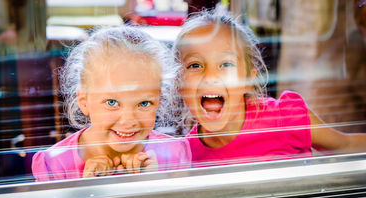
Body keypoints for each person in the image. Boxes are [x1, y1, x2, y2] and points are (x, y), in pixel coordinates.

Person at [171, 8, 366, 167]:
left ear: (248, 80)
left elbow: (345, 144)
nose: (211, 77)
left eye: (226, 64)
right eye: (195, 65)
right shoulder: (185, 154)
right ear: (179, 84)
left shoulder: (285, 117)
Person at [32, 26, 191, 181]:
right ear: (84, 101)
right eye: (112, 102)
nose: (128, 121)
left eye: (144, 103)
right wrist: (86, 189)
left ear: (158, 101)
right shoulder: (55, 165)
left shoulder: (174, 155)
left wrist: (156, 182)